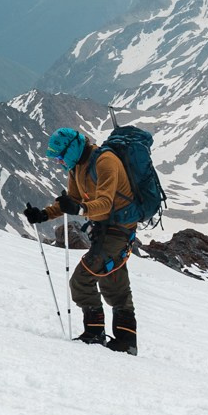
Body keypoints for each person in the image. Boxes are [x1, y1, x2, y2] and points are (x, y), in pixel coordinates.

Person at [24, 128, 139, 354]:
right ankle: (126, 343)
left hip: (119, 230)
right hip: (104, 229)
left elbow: (104, 203)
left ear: (71, 149)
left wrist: (80, 208)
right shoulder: (76, 167)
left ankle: (95, 335)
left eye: (59, 157)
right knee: (113, 283)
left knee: (81, 280)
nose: (58, 162)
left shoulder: (106, 162)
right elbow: (73, 200)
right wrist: (44, 214)